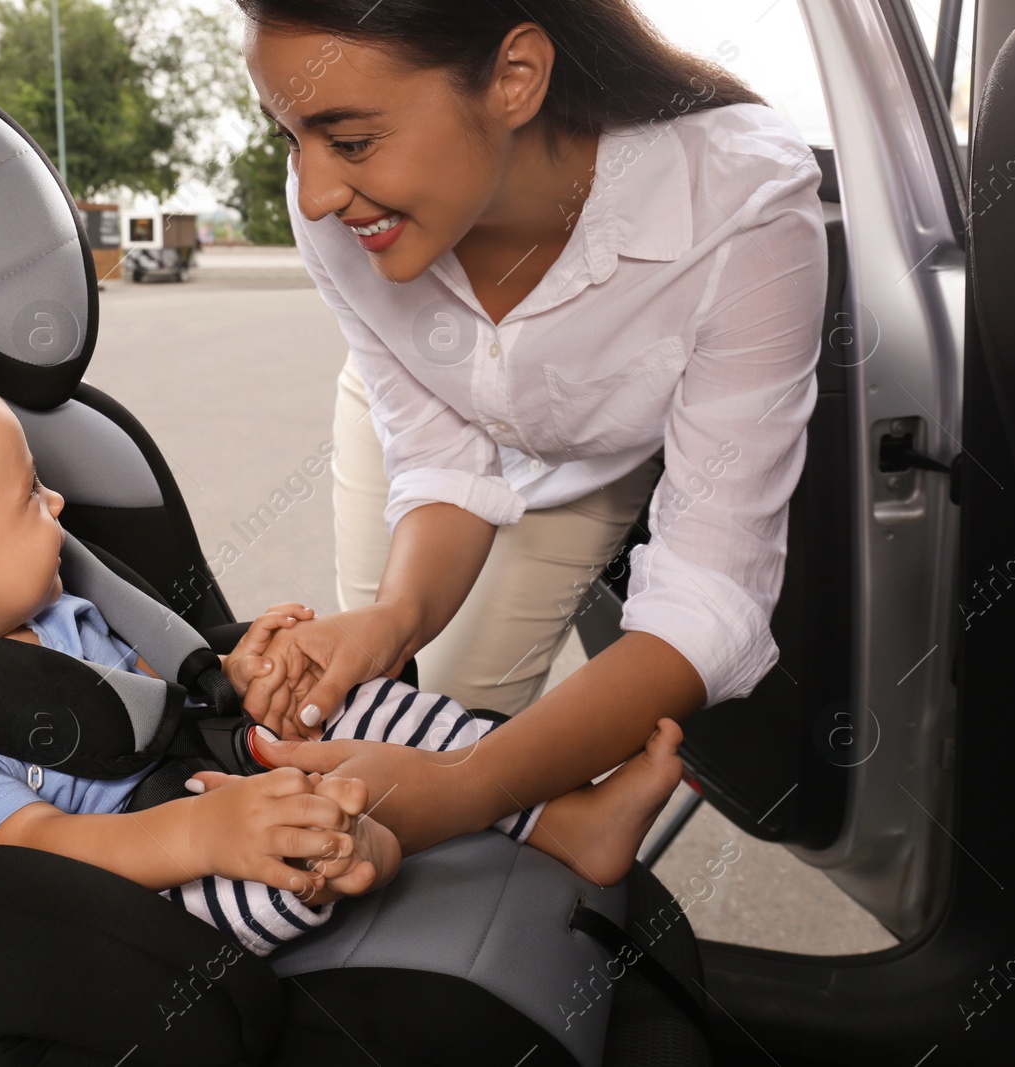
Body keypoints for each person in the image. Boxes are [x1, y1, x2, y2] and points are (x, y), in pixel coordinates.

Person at [0, 369, 687, 957]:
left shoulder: (54, 603)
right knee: (256, 882)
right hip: (151, 865)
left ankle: (563, 821)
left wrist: (238, 679)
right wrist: (203, 836)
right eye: (28, 499)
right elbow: (40, 847)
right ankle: (352, 843)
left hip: (212, 757)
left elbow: (151, 692)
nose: (56, 500)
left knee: (365, 700)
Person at [231, 1, 829, 854]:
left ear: (516, 76)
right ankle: (557, 826)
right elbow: (440, 452)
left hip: (587, 454)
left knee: (468, 734)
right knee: (385, 692)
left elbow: (711, 597)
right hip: (415, 413)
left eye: (352, 141)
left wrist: (467, 786)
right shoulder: (341, 208)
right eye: (291, 139)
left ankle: (548, 833)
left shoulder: (746, 208)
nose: (316, 195)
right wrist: (396, 616)